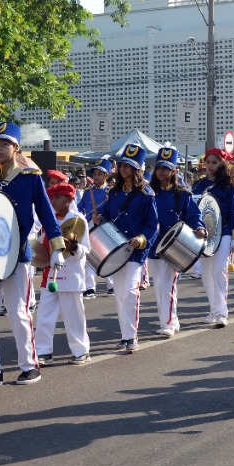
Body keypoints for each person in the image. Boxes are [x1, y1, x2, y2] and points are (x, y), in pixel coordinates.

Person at [0, 122, 65, 388]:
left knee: (18, 313)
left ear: (16, 147)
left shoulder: (30, 177)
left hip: (17, 254)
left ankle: (29, 366)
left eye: (4, 145)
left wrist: (56, 247)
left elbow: (46, 212)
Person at [93, 142, 158, 356]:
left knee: (130, 292)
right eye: (122, 165)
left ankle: (132, 336)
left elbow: (152, 224)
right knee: (120, 294)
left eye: (128, 166)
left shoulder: (147, 193)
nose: (123, 169)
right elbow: (110, 218)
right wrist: (99, 218)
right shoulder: (114, 193)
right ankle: (124, 335)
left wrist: (142, 238)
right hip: (116, 248)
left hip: (136, 251)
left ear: (137, 169)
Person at [148, 147, 206, 338]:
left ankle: (168, 323)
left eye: (166, 168)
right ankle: (170, 319)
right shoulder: (149, 193)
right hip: (154, 245)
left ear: (174, 171)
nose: (161, 172)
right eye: (159, 168)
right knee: (159, 286)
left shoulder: (182, 194)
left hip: (174, 244)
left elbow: (194, 216)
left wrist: (199, 227)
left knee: (169, 285)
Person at [34, 182, 92, 364]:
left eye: (57, 197)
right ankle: (43, 352)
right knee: (44, 315)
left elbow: (86, 249)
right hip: (50, 274)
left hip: (71, 274)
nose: (53, 201)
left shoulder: (78, 220)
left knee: (74, 316)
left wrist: (74, 246)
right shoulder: (48, 220)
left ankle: (81, 351)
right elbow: (42, 244)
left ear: (69, 199)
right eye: (51, 198)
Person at [193, 149, 234, 325]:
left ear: (221, 164)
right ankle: (213, 310)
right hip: (204, 235)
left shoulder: (227, 185)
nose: (210, 165)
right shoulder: (198, 186)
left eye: (214, 162)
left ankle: (222, 313)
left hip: (225, 232)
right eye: (208, 162)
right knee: (206, 275)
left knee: (219, 271)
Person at [77, 158, 112, 299]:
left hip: (106, 226)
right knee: (89, 258)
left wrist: (103, 217)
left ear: (106, 176)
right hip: (91, 226)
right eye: (95, 173)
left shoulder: (111, 192)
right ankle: (90, 288)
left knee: (108, 255)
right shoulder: (87, 193)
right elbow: (79, 209)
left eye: (99, 174)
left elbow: (114, 210)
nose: (96, 176)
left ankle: (111, 285)